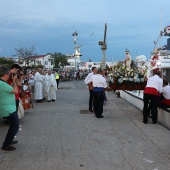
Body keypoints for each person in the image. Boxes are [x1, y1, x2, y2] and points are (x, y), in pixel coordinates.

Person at [0, 66, 19, 151]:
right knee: (15, 126)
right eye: (9, 74)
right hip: (8, 109)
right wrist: (14, 81)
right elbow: (15, 91)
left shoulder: (2, 83)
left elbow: (9, 89)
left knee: (13, 125)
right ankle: (6, 144)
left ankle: (9, 140)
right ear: (5, 75)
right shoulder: (2, 84)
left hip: (8, 108)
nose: (9, 75)